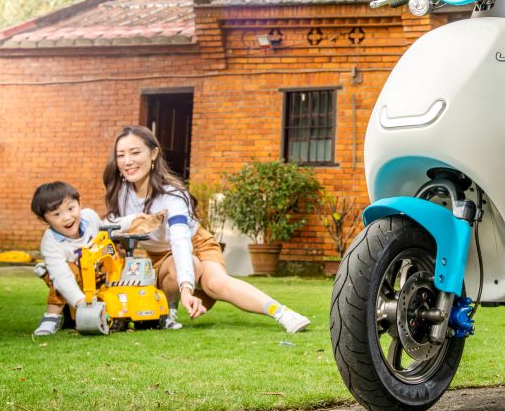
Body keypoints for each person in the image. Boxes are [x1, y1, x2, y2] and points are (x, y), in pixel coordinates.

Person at [103, 125, 310, 333]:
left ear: (153, 153)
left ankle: (283, 313)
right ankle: (166, 313)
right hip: (159, 258)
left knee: (216, 284)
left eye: (135, 152)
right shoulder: (119, 193)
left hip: (196, 244)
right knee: (182, 267)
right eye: (121, 155)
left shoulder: (172, 195)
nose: (127, 161)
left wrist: (186, 290)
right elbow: (107, 229)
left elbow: (180, 241)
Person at [30, 181, 151, 336]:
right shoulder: (51, 242)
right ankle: (52, 316)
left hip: (94, 271)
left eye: (71, 208)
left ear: (79, 203)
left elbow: (106, 227)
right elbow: (62, 278)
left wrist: (131, 220)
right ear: (44, 220)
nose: (67, 217)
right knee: (67, 274)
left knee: (113, 259)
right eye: (56, 214)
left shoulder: (89, 217)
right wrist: (81, 301)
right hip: (66, 274)